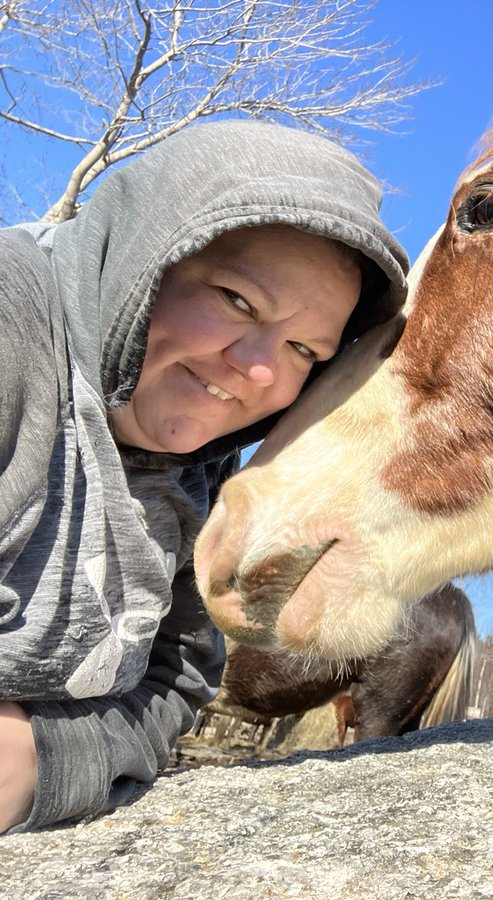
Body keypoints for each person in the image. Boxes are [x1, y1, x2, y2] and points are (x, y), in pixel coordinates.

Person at [0, 120, 409, 831]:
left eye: (304, 350)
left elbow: (177, 682)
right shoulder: (14, 330)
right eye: (237, 300)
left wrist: (48, 758)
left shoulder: (205, 476)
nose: (257, 371)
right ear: (148, 252)